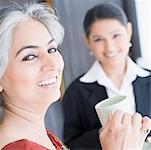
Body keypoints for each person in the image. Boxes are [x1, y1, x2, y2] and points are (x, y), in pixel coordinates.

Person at [0, 2, 150, 150]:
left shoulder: (44, 137)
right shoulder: (21, 146)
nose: (53, 64)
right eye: (30, 56)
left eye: (52, 49)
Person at [62, 3, 151, 149]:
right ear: (88, 42)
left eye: (116, 35)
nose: (109, 47)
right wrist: (104, 134)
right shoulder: (76, 91)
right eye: (98, 39)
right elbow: (70, 145)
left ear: (129, 31)